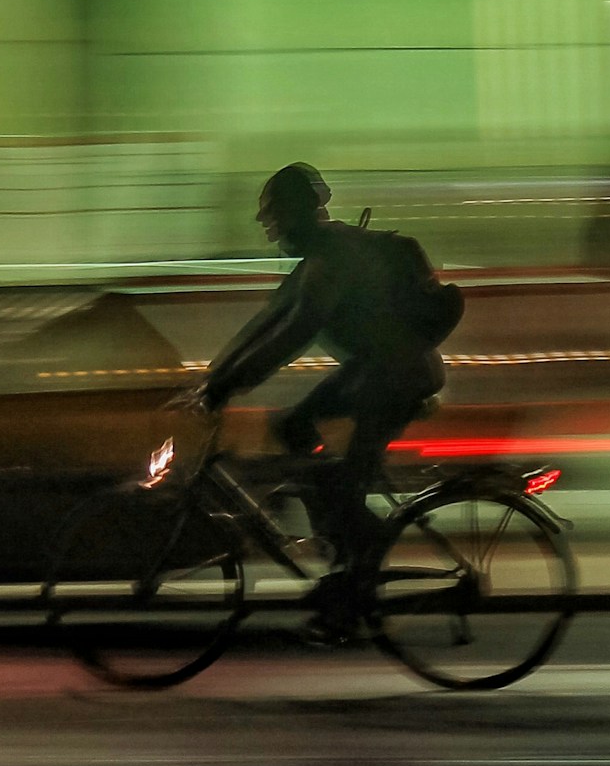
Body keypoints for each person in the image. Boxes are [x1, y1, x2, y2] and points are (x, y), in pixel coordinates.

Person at [187, 163, 455, 644]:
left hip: (397, 377)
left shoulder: (335, 258)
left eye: (273, 218)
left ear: (298, 213)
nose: (269, 229)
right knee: (293, 430)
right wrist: (214, 376)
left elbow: (294, 333)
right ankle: (343, 549)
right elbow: (267, 322)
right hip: (374, 371)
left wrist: (229, 386)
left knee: (344, 483)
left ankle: (354, 585)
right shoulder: (317, 261)